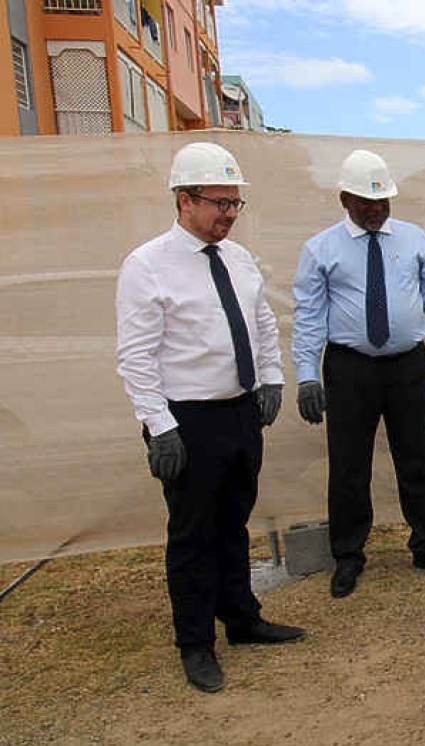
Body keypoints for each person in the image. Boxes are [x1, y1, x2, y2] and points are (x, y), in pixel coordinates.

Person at [115, 142, 305, 694]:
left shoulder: (239, 260)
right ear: (184, 199)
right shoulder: (147, 265)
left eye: (234, 203)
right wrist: (159, 425)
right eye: (218, 202)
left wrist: (271, 377)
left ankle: (242, 619)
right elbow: (136, 355)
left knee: (234, 523)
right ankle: (195, 643)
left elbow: (262, 324)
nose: (227, 214)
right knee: (192, 535)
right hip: (187, 420)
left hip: (240, 414)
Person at [292, 149, 425, 598]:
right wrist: (306, 375)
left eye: (383, 202)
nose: (376, 210)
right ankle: (349, 556)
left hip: (407, 366)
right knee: (349, 465)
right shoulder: (321, 249)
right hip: (350, 369)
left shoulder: (414, 239)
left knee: (417, 458)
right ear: (344, 200)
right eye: (365, 202)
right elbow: (309, 316)